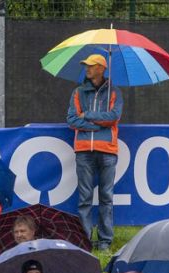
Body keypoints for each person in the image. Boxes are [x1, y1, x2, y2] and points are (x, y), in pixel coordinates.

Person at [65, 54, 123, 251]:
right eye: (86, 66)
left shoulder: (114, 92)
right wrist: (97, 127)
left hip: (107, 150)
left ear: (102, 68)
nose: (87, 69)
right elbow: (72, 120)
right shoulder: (78, 92)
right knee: (85, 198)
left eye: (91, 66)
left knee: (106, 196)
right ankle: (86, 239)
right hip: (83, 151)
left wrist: (88, 115)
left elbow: (113, 117)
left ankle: (105, 240)